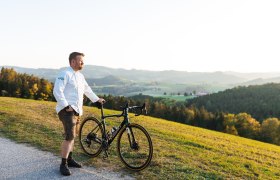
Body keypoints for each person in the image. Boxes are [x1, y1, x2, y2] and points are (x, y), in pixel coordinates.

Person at [53, 52, 105, 176]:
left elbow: (87, 90)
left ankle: (69, 159)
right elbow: (57, 91)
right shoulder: (65, 73)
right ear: (72, 62)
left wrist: (96, 99)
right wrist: (66, 105)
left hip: (77, 111)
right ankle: (63, 164)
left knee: (73, 136)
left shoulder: (80, 76)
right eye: (80, 60)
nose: (83, 63)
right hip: (66, 111)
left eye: (83, 61)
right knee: (69, 137)